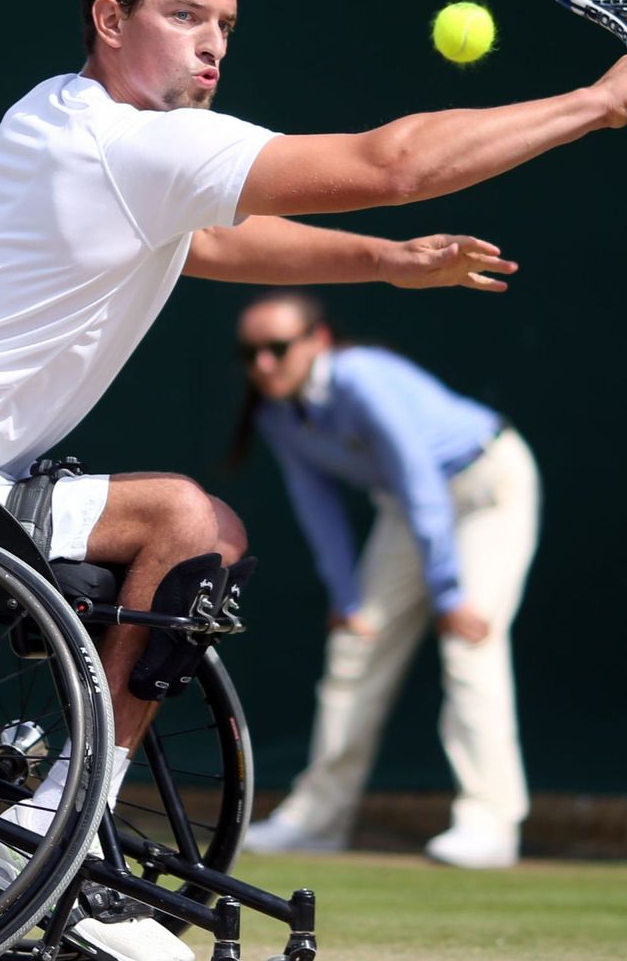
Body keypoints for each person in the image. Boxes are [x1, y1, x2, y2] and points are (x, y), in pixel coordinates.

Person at [0, 0, 627, 959]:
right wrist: (593, 103)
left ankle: (57, 816)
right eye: (185, 16)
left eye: (224, 26)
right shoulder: (131, 142)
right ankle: (52, 826)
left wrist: (386, 262)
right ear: (111, 19)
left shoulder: (58, 114)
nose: (212, 44)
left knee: (194, 526)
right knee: (186, 518)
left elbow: (211, 238)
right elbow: (389, 162)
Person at [229, 291, 540, 870]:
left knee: (469, 643)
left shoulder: (361, 379)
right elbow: (314, 501)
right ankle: (319, 819)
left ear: (317, 341)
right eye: (249, 353)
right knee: (356, 643)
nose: (263, 365)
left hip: (486, 490)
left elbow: (419, 477)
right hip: (410, 511)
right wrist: (346, 595)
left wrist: (449, 592)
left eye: (276, 349)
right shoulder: (277, 415)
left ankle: (490, 824)